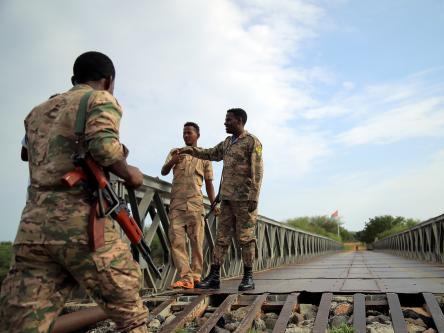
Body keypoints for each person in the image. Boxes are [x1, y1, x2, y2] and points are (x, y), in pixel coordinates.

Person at [0, 51, 149, 332]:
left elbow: (26, 152)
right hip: (80, 226)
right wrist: (131, 174)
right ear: (108, 80)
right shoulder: (100, 99)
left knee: (23, 323)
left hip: (33, 228)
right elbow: (104, 147)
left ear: (73, 79)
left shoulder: (37, 111)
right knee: (131, 312)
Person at [179, 108, 263, 291]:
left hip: (244, 199)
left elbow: (257, 171)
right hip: (226, 199)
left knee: (246, 238)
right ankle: (214, 276)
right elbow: (210, 154)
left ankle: (248, 277)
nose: (225, 123)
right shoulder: (227, 143)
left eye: (229, 120)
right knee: (221, 238)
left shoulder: (252, 142)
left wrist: (254, 196)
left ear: (239, 120)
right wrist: (190, 150)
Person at [161, 122, 217, 289]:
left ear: (197, 135)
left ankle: (197, 276)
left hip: (195, 205)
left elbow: (209, 183)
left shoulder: (205, 156)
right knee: (176, 242)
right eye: (184, 133)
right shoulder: (174, 152)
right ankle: (186, 277)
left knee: (196, 243)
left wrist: (214, 204)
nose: (186, 135)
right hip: (176, 205)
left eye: (189, 133)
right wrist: (173, 161)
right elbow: (163, 171)